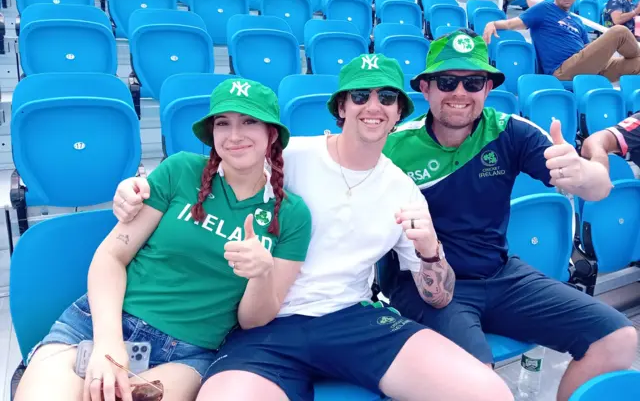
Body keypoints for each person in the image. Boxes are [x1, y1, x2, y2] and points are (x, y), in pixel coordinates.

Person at [113, 54, 515, 401]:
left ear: (398, 113)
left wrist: (430, 250)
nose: (372, 106)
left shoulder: (405, 191)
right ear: (341, 107)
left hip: (352, 318)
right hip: (266, 324)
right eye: (360, 95)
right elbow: (213, 171)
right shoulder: (287, 154)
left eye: (386, 97)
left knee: (490, 393)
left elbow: (438, 297)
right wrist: (136, 185)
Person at [14, 79, 312, 401]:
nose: (235, 135)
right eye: (223, 123)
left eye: (250, 121)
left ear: (271, 133)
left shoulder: (292, 215)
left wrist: (261, 272)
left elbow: (253, 320)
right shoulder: (180, 170)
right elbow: (112, 256)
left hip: (186, 354)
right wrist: (108, 344)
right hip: (99, 324)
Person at [383, 29, 638, 401]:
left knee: (617, 337)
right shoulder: (395, 145)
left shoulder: (509, 131)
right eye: (446, 81)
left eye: (473, 82)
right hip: (427, 284)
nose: (459, 92)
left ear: (487, 90)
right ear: (426, 89)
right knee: (479, 386)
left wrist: (582, 174)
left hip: (500, 274)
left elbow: (598, 188)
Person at [484, 0, 640, 83]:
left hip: (588, 65)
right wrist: (494, 24)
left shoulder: (578, 21)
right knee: (619, 31)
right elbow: (514, 23)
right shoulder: (544, 8)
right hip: (563, 70)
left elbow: (587, 49)